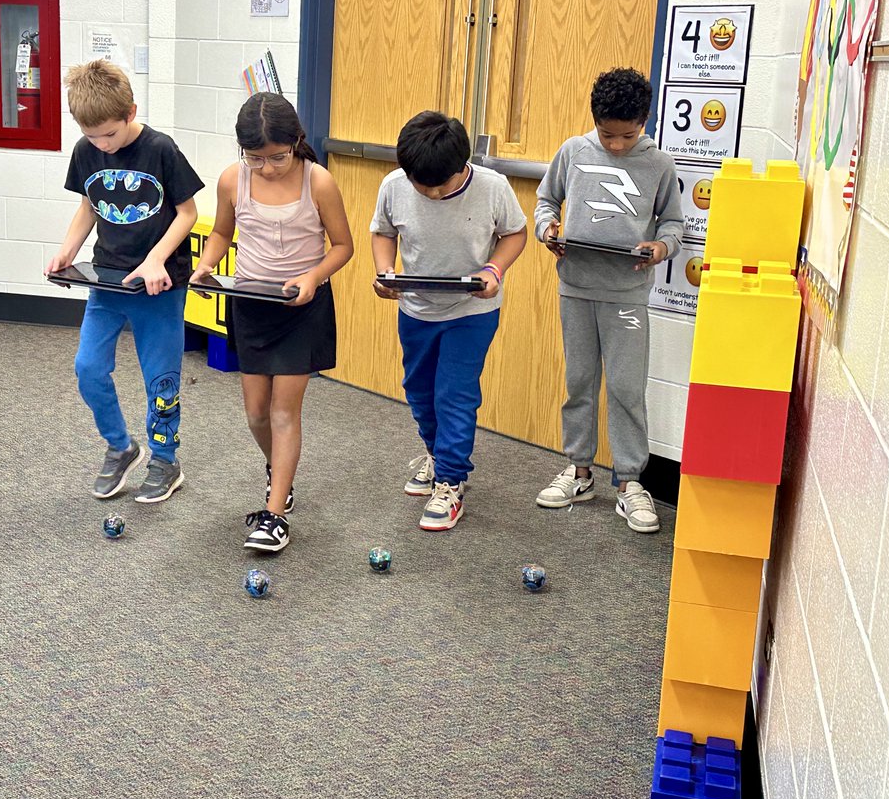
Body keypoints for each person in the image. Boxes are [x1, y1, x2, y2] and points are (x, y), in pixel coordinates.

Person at [190, 93, 353, 552]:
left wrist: (312, 275)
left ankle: (275, 513)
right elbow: (222, 232)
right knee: (256, 412)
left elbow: (342, 246)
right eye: (255, 158)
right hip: (251, 303)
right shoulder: (231, 180)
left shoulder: (318, 182)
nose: (267, 167)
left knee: (284, 411)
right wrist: (206, 265)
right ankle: (279, 473)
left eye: (277, 157)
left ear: (296, 142)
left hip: (302, 307)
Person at [46, 60, 204, 503]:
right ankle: (120, 446)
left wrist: (156, 260)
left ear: (131, 112)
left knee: (162, 380)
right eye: (92, 136)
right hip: (108, 283)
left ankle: (165, 459)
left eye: (109, 135)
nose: (103, 145)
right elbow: (89, 206)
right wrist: (67, 251)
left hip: (159, 286)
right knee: (88, 368)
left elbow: (187, 213)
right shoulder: (86, 148)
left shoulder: (161, 149)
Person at [533, 67, 683, 533]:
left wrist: (661, 248)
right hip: (576, 287)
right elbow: (545, 201)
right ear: (593, 120)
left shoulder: (659, 163)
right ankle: (579, 470)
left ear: (644, 121)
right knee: (579, 382)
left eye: (627, 135)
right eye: (607, 134)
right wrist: (548, 230)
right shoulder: (573, 152)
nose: (616, 145)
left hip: (627, 296)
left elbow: (673, 226)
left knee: (624, 387)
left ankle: (630, 481)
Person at [371, 111, 527, 531]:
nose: (432, 193)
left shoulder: (493, 187)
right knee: (419, 391)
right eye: (423, 186)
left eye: (441, 185)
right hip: (417, 308)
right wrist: (385, 272)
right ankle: (437, 455)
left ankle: (451, 481)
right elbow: (383, 232)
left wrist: (494, 270)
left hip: (471, 311)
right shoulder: (395, 185)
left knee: (454, 394)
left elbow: (515, 233)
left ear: (463, 166)